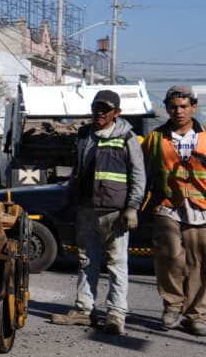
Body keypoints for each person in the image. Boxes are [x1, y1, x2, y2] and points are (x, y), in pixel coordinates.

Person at [52, 89, 147, 335]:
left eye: (106, 109)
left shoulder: (127, 137)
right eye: (97, 107)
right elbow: (77, 171)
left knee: (117, 263)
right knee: (86, 260)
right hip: (86, 209)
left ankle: (116, 314)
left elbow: (138, 176)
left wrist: (132, 207)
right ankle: (85, 310)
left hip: (114, 212)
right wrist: (70, 201)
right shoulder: (84, 135)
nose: (100, 112)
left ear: (117, 113)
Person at [143, 84, 206, 336]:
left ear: (194, 107)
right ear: (167, 109)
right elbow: (143, 172)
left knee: (198, 262)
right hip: (167, 205)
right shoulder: (156, 138)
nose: (178, 111)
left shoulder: (205, 137)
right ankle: (172, 306)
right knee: (169, 256)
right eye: (173, 107)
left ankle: (196, 315)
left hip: (201, 208)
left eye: (183, 106)